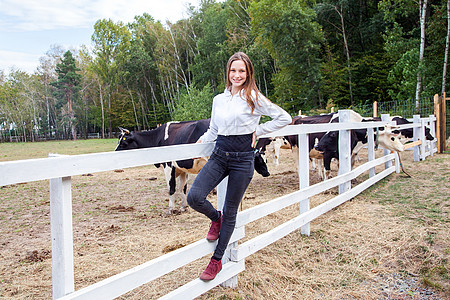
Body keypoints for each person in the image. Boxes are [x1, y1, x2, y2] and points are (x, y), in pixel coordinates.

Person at [187, 52, 292, 281]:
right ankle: (216, 218)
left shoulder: (254, 97)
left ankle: (216, 261)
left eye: (241, 71)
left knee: (231, 209)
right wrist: (200, 142)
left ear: (248, 73)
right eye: (233, 70)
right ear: (228, 72)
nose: (237, 75)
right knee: (194, 197)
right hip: (219, 154)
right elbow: (213, 130)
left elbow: (284, 118)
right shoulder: (218, 100)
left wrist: (260, 131)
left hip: (243, 158)